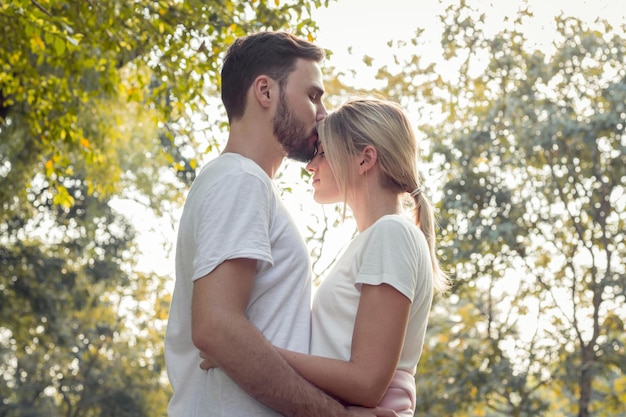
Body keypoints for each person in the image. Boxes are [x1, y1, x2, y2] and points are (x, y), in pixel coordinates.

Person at [164, 32, 397, 417]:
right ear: (265, 92)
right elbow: (216, 328)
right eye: (313, 95)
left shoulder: (244, 184)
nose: (323, 113)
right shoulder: (241, 180)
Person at [201, 97, 449, 416]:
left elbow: (366, 382)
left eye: (321, 152)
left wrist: (248, 353)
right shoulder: (377, 239)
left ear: (365, 159)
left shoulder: (391, 234)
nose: (311, 165)